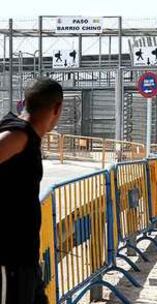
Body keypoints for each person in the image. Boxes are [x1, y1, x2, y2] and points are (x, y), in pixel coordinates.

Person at [0, 77, 63, 304]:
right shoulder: (20, 135)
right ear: (57, 108)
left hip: (25, 259)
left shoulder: (24, 134)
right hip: (10, 260)